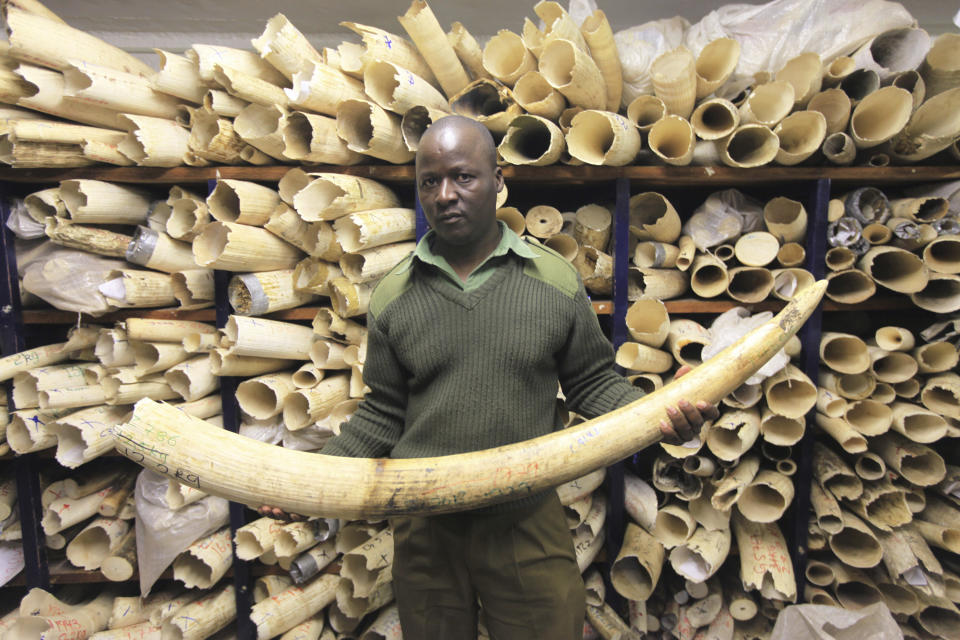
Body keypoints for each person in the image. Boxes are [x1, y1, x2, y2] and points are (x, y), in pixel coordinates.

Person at [261, 115, 717, 639]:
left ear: (499, 181)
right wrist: (309, 479)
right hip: (425, 525)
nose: (445, 194)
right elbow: (382, 415)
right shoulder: (393, 296)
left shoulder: (553, 280)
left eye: (464, 176)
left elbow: (593, 383)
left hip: (525, 516)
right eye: (429, 182)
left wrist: (664, 417)